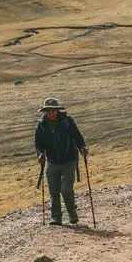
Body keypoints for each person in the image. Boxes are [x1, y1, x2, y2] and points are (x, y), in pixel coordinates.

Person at [35, 97, 88, 226]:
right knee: (54, 192)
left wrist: (82, 148)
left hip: (69, 161)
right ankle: (56, 218)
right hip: (52, 162)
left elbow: (78, 137)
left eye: (53, 111)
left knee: (66, 190)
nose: (51, 114)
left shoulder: (67, 122)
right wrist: (40, 154)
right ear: (45, 112)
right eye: (48, 111)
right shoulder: (41, 125)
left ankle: (72, 214)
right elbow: (38, 144)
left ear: (57, 111)